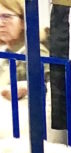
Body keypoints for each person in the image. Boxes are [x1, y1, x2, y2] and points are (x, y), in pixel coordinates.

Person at [0, 0, 48, 139]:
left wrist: (26, 87)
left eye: (7, 16)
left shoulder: (35, 53)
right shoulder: (4, 53)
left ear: (22, 21)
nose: (1, 23)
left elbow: (51, 87)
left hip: (24, 132)